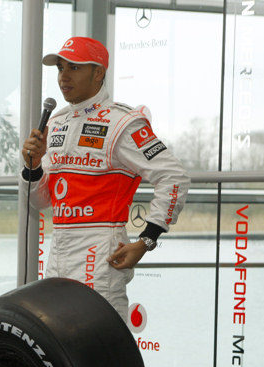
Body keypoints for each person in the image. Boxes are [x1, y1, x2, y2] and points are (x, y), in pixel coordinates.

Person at [21, 37, 189, 321]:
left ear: (98, 72)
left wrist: (147, 240)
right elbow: (41, 200)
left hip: (99, 253)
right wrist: (34, 166)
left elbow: (174, 177)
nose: (63, 77)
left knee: (101, 348)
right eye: (60, 68)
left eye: (73, 68)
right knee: (60, 345)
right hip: (59, 248)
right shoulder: (56, 122)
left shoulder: (122, 122)